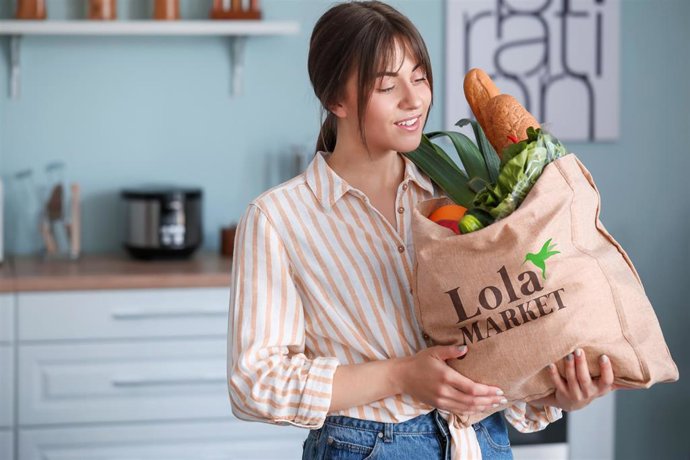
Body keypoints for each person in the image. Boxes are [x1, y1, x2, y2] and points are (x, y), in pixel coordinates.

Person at [227, 2, 620, 459]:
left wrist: (557, 396)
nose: (414, 100)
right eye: (387, 86)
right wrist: (401, 375)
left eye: (419, 77)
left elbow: (501, 340)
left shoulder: (464, 193)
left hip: (482, 442)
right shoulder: (279, 218)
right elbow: (255, 383)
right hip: (367, 447)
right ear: (336, 99)